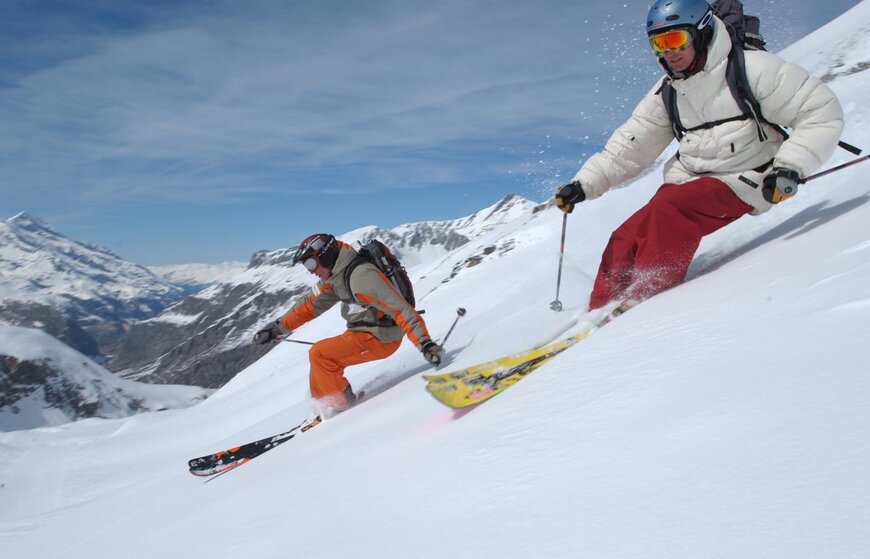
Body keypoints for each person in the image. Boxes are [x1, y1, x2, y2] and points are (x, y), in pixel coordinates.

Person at [554, 0, 843, 311]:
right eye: (658, 43)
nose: (668, 52)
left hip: (749, 178)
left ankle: (644, 303)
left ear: (702, 32)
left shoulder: (752, 68)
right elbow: (631, 145)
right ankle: (599, 310)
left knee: (669, 210)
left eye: (675, 39)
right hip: (692, 180)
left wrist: (790, 167)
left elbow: (821, 112)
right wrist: (584, 184)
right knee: (626, 237)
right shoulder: (668, 91)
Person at [253, 234, 443, 415]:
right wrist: (278, 328)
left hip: (381, 337)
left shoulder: (361, 278)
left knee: (321, 355)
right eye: (306, 266)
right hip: (362, 332)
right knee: (321, 358)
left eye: (311, 264)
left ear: (326, 256)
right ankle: (324, 403)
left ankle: (339, 407)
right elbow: (310, 304)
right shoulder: (337, 277)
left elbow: (401, 310)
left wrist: (425, 344)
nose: (311, 271)